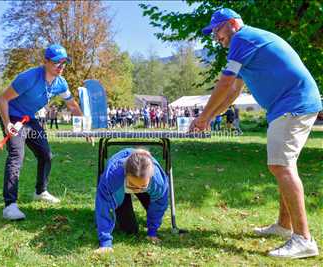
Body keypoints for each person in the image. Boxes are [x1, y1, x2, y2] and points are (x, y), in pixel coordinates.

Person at [191, 8, 322, 258]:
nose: (216, 37)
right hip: (289, 105)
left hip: (293, 103)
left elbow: (225, 83)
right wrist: (211, 117)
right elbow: (233, 92)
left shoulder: (241, 39)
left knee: (282, 167)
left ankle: (304, 239)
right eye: (213, 34)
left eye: (217, 30)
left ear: (231, 24)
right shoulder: (245, 45)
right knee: (283, 165)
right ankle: (285, 226)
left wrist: (203, 116)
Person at [0, 44, 85, 220]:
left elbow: (72, 105)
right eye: (56, 63)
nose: (61, 67)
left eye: (64, 63)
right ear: (45, 61)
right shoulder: (28, 78)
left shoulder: (61, 83)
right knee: (16, 157)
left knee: (46, 155)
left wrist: (85, 126)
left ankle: (40, 191)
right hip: (13, 117)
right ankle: (10, 206)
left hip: (30, 119)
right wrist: (7, 124)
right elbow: (2, 99)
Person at [95, 148, 169, 254]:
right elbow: (104, 207)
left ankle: (139, 186)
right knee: (130, 230)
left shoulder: (158, 181)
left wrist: (152, 233)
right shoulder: (112, 176)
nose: (137, 190)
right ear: (125, 174)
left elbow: (159, 205)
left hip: (145, 185)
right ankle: (132, 188)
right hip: (120, 186)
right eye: (133, 185)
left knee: (154, 207)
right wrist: (105, 242)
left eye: (142, 186)